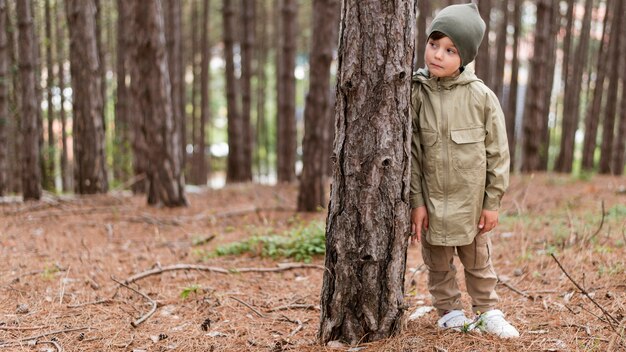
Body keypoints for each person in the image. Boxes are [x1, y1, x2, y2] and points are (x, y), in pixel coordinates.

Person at [409, 3, 519, 338]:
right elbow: (411, 153)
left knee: (479, 263)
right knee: (438, 264)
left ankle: (488, 310)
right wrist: (417, 201)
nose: (437, 55)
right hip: (432, 203)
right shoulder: (416, 93)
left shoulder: (481, 97)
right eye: (433, 44)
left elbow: (498, 154)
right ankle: (450, 312)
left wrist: (492, 202)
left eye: (450, 50)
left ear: (465, 57)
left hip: (470, 205)